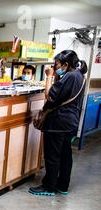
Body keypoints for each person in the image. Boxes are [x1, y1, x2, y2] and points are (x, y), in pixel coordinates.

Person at [29, 50, 87, 196]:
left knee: (52, 155)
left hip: (59, 123)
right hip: (70, 122)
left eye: (57, 64)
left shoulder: (70, 76)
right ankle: (63, 185)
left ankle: (49, 187)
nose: (55, 67)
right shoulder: (79, 75)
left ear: (66, 64)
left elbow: (49, 96)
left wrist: (49, 76)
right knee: (65, 155)